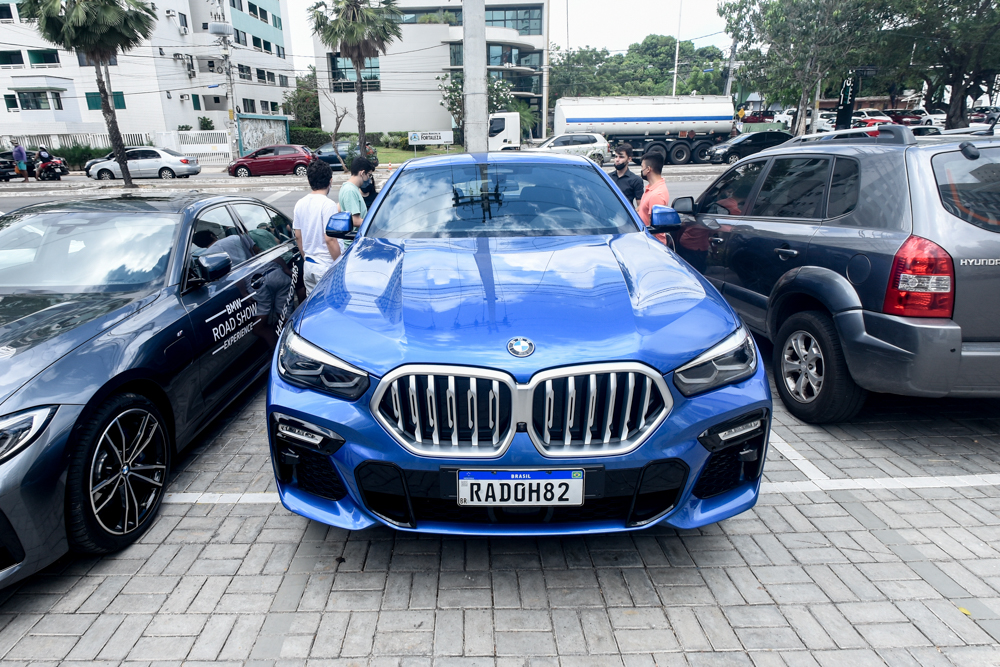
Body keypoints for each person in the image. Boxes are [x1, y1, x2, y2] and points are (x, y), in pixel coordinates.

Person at [293, 159, 343, 294]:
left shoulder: (300, 203)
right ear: (330, 181)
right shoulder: (328, 205)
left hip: (309, 265)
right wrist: (339, 265)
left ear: (309, 181)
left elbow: (298, 236)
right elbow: (330, 239)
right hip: (326, 266)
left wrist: (306, 257)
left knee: (313, 305)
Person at [636, 151, 671, 245]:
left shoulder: (657, 194)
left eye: (642, 167)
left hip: (651, 243)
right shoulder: (651, 188)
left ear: (648, 169)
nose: (641, 170)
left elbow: (654, 228)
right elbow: (642, 209)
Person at [339, 156, 374, 228]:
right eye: (369, 175)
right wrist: (374, 225)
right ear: (362, 173)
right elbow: (355, 221)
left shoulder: (352, 189)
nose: (369, 179)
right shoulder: (350, 190)